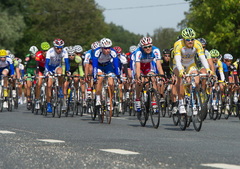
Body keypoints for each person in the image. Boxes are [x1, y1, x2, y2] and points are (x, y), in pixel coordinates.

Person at [173, 28, 211, 114]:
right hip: (179, 65)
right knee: (181, 79)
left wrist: (208, 69)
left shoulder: (197, 43)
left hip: (190, 64)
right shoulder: (178, 44)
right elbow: (178, 60)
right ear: (183, 39)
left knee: (196, 81)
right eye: (188, 40)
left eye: (192, 39)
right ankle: (181, 103)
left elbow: (202, 58)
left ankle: (193, 103)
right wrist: (181, 71)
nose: (190, 41)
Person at [134, 37, 164, 112]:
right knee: (141, 81)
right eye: (145, 47)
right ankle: (137, 99)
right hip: (140, 67)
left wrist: (162, 76)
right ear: (142, 47)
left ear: (152, 45)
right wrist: (138, 78)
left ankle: (153, 101)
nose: (148, 48)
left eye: (150, 46)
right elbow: (137, 67)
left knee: (153, 79)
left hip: (148, 66)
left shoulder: (156, 50)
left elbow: (159, 65)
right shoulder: (138, 52)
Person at [92, 38, 121, 107]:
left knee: (111, 83)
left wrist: (118, 76)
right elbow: (95, 66)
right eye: (105, 48)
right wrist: (95, 77)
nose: (108, 50)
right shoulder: (97, 52)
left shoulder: (113, 52)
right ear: (101, 48)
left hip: (108, 66)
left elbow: (116, 66)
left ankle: (109, 98)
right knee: (99, 79)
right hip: (99, 66)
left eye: (109, 48)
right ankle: (98, 98)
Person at [45, 39, 69, 113]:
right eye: (58, 48)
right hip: (50, 68)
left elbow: (67, 63)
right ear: (54, 47)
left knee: (60, 72)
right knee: (49, 85)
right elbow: (46, 63)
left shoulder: (64, 52)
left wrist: (68, 71)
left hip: (57, 67)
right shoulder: (50, 52)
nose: (59, 50)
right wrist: (47, 72)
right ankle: (49, 104)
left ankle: (60, 88)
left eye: (61, 48)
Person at [35, 42, 50, 109]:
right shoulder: (38, 54)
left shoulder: (50, 54)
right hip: (40, 69)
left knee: (48, 83)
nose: (46, 52)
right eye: (44, 51)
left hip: (47, 69)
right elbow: (37, 65)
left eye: (47, 50)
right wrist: (37, 74)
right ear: (41, 50)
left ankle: (49, 99)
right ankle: (37, 100)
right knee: (39, 82)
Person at [113, 46, 128, 113]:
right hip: (112, 72)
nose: (117, 56)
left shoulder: (123, 58)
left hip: (119, 73)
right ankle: (109, 99)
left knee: (119, 88)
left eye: (118, 55)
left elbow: (125, 68)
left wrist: (126, 77)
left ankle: (120, 104)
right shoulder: (110, 58)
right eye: (116, 55)